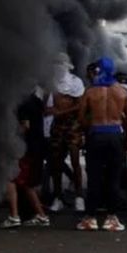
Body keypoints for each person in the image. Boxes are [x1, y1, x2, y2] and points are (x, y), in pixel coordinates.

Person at [77, 57, 127, 232]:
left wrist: (91, 128)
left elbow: (80, 117)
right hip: (116, 135)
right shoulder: (122, 92)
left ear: (98, 71)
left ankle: (91, 218)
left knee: (94, 177)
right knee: (114, 177)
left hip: (96, 134)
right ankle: (112, 218)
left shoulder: (90, 92)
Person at [2, 95, 50, 229]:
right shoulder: (36, 100)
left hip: (26, 149)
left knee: (12, 179)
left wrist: (12, 139)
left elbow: (25, 126)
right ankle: (40, 216)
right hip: (37, 147)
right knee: (28, 184)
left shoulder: (23, 102)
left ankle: (14, 216)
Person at [46, 57, 87, 215]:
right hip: (57, 126)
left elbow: (80, 105)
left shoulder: (75, 82)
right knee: (55, 162)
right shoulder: (52, 82)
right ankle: (57, 197)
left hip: (72, 125)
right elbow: (48, 104)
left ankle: (79, 196)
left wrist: (61, 112)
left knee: (75, 161)